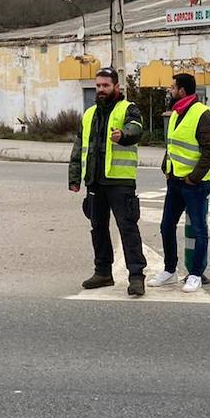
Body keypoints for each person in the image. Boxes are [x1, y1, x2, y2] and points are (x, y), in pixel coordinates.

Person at [68, 67, 147, 295]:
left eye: (105, 85)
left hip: (120, 182)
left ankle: (136, 275)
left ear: (116, 87)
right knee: (98, 228)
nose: (101, 90)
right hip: (95, 181)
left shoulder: (128, 109)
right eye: (98, 86)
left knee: (128, 228)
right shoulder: (89, 114)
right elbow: (79, 147)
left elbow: (136, 128)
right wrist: (75, 177)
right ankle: (103, 272)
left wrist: (123, 135)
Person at [152, 73, 210, 293]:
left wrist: (193, 178)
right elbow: (172, 145)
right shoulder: (175, 113)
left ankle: (195, 274)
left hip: (194, 184)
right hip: (174, 181)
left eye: (172, 87)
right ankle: (169, 270)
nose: (170, 90)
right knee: (166, 226)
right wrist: (166, 166)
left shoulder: (203, 114)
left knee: (199, 230)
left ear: (182, 90)